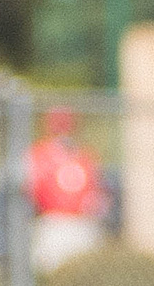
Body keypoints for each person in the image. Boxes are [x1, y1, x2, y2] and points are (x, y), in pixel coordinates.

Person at [26, 107, 108, 268]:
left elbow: (96, 189)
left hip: (82, 223)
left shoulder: (84, 156)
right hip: (53, 223)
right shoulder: (39, 154)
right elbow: (31, 190)